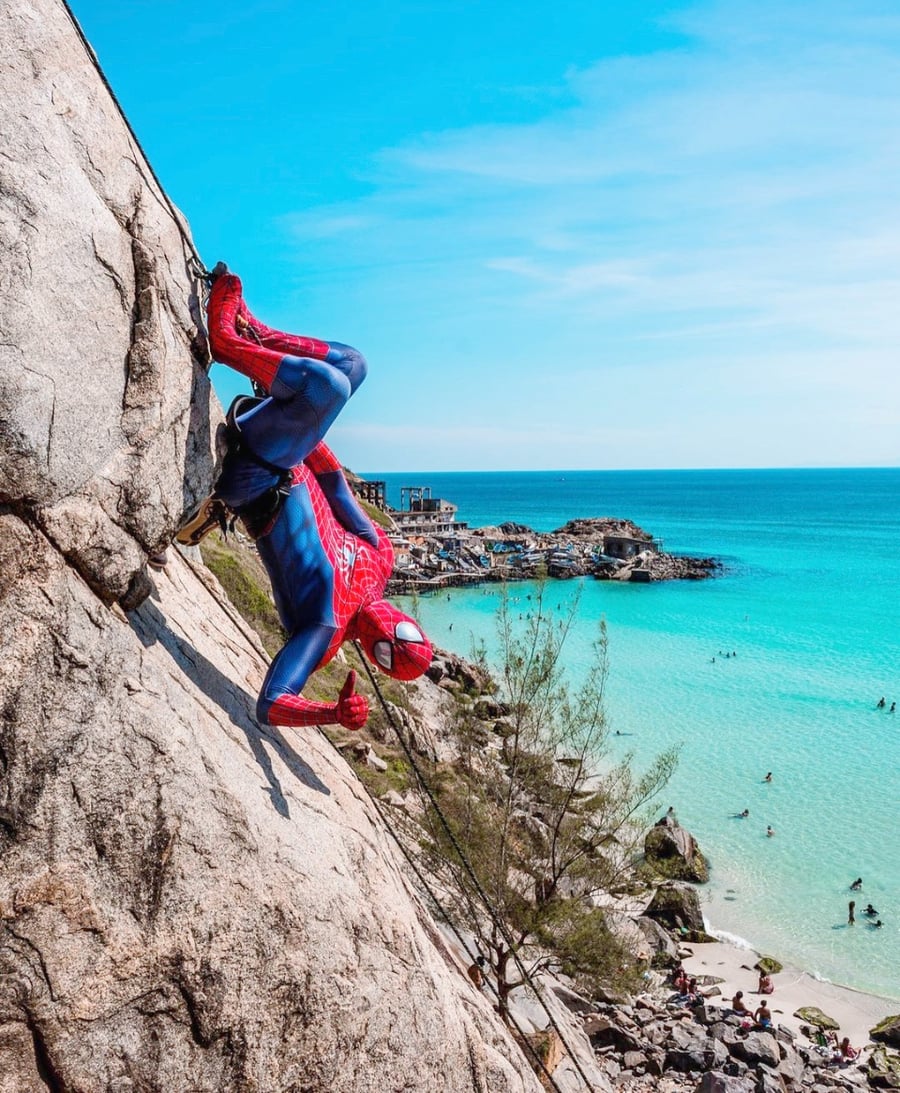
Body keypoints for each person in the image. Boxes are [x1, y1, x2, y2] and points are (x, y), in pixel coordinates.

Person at [188, 269, 433, 729]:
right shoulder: (380, 557)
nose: (388, 636)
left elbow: (272, 702)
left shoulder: (325, 631)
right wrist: (303, 430)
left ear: (374, 660)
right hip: (280, 451)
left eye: (387, 652)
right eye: (403, 634)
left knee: (330, 388)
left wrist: (332, 713)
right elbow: (335, 485)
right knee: (354, 365)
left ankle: (226, 342)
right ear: (409, 621)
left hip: (256, 481)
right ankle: (253, 333)